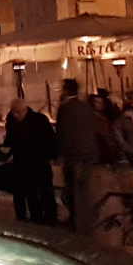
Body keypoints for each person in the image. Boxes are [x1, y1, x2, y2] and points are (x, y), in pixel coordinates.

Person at [55, 78, 107, 224]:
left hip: (73, 154)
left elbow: (63, 133)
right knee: (87, 186)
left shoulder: (65, 109)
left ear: (65, 90)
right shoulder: (86, 107)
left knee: (73, 188)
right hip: (91, 152)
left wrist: (60, 154)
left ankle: (75, 217)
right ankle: (88, 215)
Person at [4, 96, 59, 224]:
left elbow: (50, 140)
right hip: (22, 161)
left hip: (39, 161)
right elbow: (10, 139)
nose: (16, 116)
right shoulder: (12, 121)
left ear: (25, 110)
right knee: (30, 192)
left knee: (45, 191)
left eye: (18, 113)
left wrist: (51, 156)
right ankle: (36, 217)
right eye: (14, 113)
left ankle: (50, 218)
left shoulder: (39, 120)